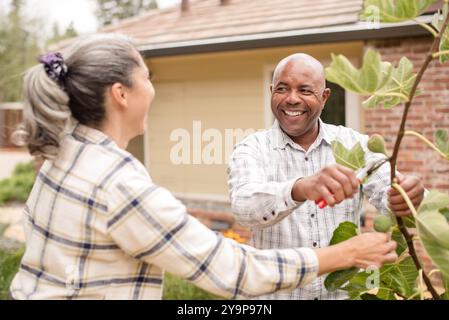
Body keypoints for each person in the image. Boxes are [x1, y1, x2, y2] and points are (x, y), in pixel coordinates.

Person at [9, 35, 397, 300]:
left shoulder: (62, 153)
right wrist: (348, 254)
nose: (153, 88)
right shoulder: (117, 184)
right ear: (121, 94)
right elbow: (231, 269)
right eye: (148, 76)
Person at [227, 53, 424, 300]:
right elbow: (244, 208)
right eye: (282, 88)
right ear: (271, 91)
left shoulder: (355, 146)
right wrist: (299, 189)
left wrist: (407, 197)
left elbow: (390, 192)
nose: (292, 99)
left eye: (305, 91)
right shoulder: (252, 148)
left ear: (324, 97)